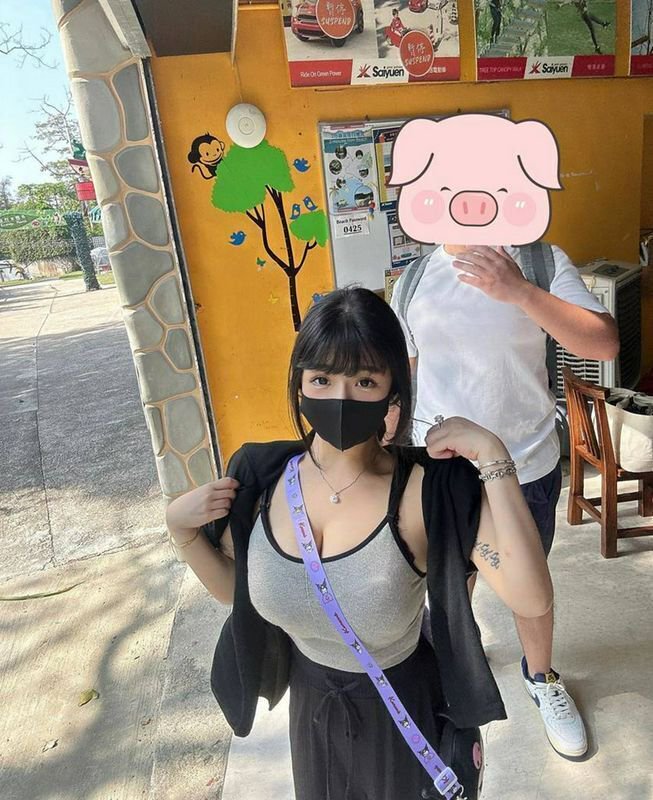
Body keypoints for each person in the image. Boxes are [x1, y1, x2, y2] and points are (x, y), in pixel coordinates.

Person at [166, 287, 554, 799]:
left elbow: (532, 597)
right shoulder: (260, 476)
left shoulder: (425, 490)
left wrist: (493, 458)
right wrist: (182, 532)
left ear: (394, 389)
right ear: (299, 382)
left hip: (403, 711)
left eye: (365, 381)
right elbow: (235, 591)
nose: (341, 398)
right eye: (322, 379)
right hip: (310, 709)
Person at [390, 243, 620, 759]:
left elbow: (603, 343)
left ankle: (541, 678)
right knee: (449, 582)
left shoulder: (539, 260)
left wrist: (520, 291)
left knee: (529, 588)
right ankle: (452, 663)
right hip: (442, 470)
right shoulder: (414, 278)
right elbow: (408, 374)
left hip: (524, 468)